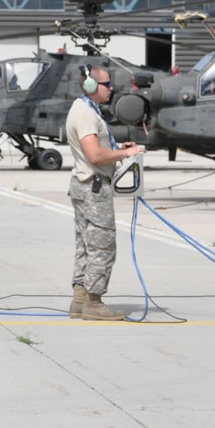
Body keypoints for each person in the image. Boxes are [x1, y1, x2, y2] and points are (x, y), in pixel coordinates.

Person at [65, 65, 144, 321]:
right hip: (93, 188)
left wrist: (119, 146)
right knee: (102, 246)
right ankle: (94, 303)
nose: (111, 89)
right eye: (107, 84)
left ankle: (80, 299)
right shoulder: (86, 114)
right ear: (91, 86)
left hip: (84, 185)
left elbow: (97, 147)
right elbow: (95, 155)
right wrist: (126, 154)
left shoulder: (85, 110)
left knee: (86, 246)